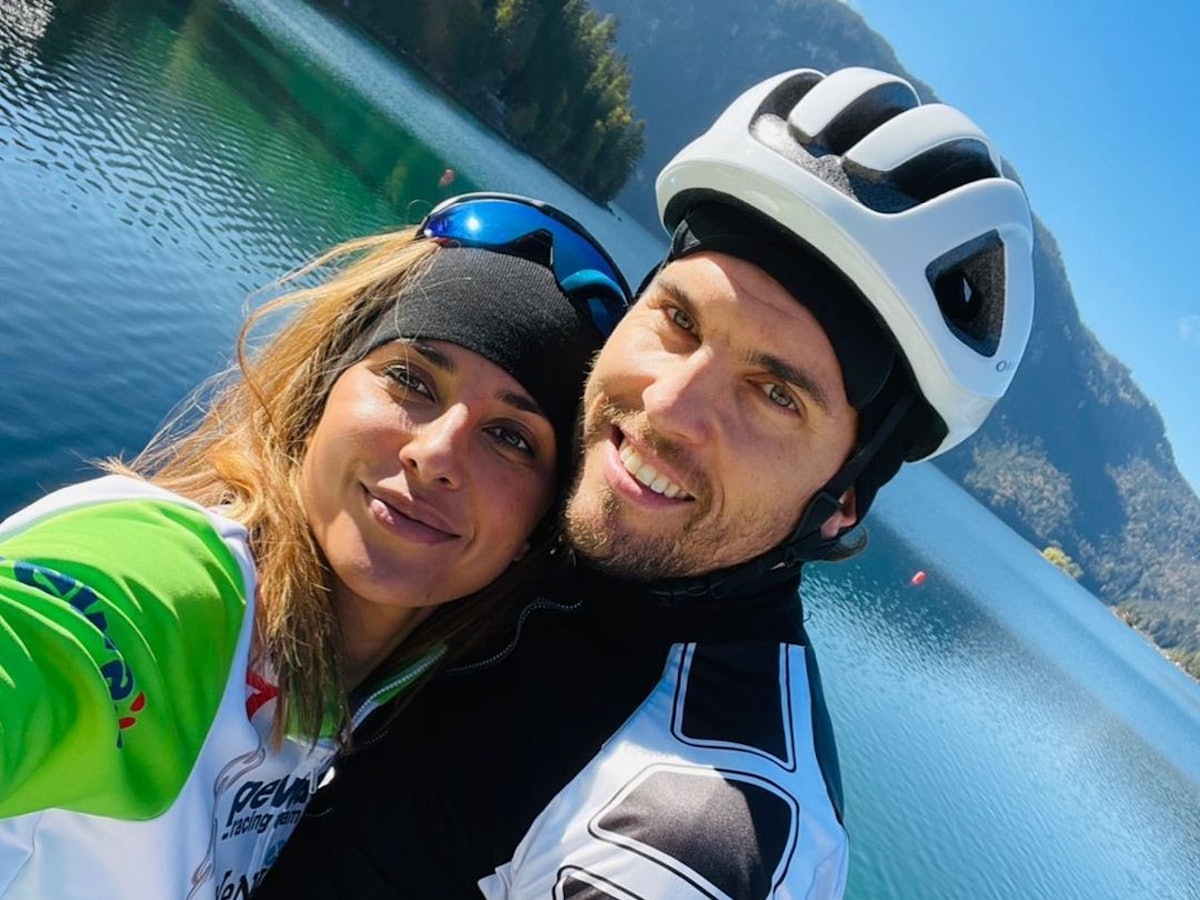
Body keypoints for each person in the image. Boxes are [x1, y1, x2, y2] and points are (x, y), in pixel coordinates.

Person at [253, 66, 1035, 899]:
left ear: (842, 497)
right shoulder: (552, 530)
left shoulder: (695, 827)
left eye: (775, 394)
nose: (669, 407)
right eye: (680, 319)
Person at [0, 193, 631, 899]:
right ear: (322, 395)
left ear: (536, 534)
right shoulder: (174, 590)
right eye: (411, 379)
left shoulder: (379, 716)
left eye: (511, 438)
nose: (436, 452)